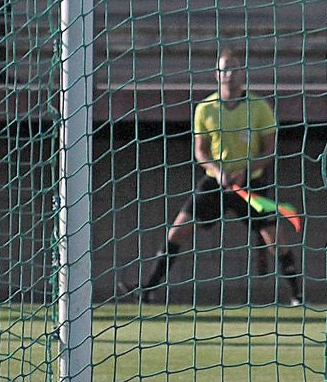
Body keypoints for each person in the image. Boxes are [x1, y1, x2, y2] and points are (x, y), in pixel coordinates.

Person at [119, 46, 303, 308]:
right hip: (216, 183)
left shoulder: (259, 107)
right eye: (224, 69)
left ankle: (297, 295)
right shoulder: (205, 108)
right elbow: (201, 151)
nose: (229, 74)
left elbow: (269, 150)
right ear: (216, 75)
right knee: (178, 231)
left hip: (250, 184)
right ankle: (148, 289)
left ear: (242, 74)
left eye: (234, 68)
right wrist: (219, 173)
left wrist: (245, 171)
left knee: (274, 238)